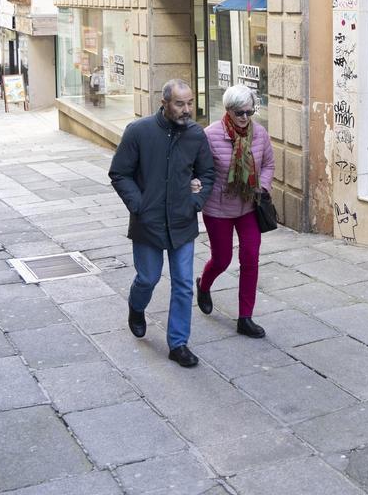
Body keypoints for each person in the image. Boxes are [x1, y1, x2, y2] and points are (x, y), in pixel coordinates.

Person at [109, 79, 215, 367]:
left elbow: (207, 174)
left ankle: (178, 343)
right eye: (180, 104)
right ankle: (136, 307)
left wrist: (196, 202)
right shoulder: (138, 132)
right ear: (164, 103)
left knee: (183, 284)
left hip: (182, 223)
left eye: (190, 102)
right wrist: (138, 204)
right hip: (149, 223)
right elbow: (119, 173)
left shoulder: (195, 135)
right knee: (148, 278)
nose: (187, 109)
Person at [196, 85, 275, 338]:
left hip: (249, 206)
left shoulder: (260, 134)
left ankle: (245, 318)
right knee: (222, 259)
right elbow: (200, 170)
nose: (245, 117)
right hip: (218, 208)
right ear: (228, 110)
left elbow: (269, 164)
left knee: (251, 258)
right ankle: (204, 284)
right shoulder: (209, 135)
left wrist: (261, 186)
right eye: (240, 112)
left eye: (250, 112)